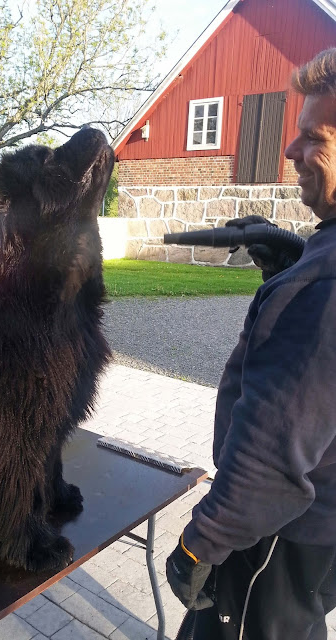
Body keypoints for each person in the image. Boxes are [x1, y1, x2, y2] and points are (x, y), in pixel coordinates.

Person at [166, 47, 336, 640]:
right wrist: (294, 262)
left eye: (314, 137)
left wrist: (202, 542)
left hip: (280, 533)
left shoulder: (326, 286)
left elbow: (274, 449)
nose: (290, 150)